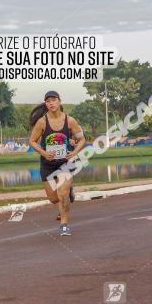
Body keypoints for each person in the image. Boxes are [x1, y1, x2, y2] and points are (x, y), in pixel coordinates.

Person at [28, 91, 86, 235]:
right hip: (48, 163)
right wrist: (43, 153)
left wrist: (75, 152)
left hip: (66, 163)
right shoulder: (42, 122)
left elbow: (82, 139)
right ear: (46, 104)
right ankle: (67, 197)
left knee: (62, 195)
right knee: (53, 198)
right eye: (48, 101)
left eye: (54, 100)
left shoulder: (70, 121)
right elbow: (32, 141)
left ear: (59, 101)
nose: (51, 103)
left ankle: (64, 225)